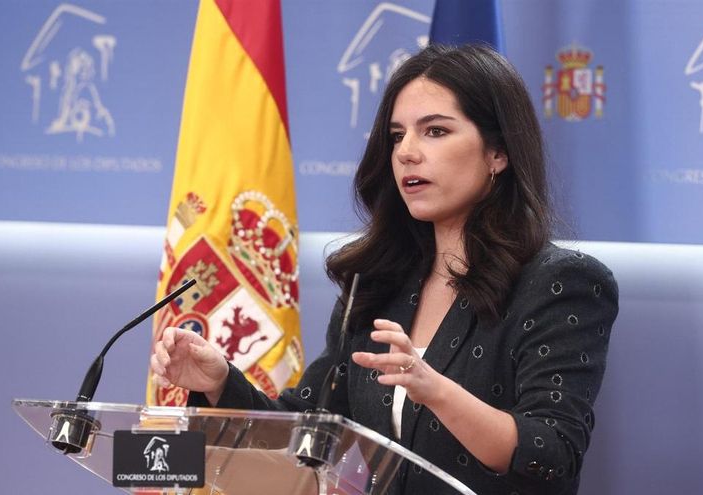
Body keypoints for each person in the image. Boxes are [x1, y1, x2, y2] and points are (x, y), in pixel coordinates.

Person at [151, 44, 618, 495]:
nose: (407, 153)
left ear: (499, 153)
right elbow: (310, 426)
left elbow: (551, 454)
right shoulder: (376, 282)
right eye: (397, 135)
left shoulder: (561, 284)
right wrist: (219, 383)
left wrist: (436, 390)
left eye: (435, 131)